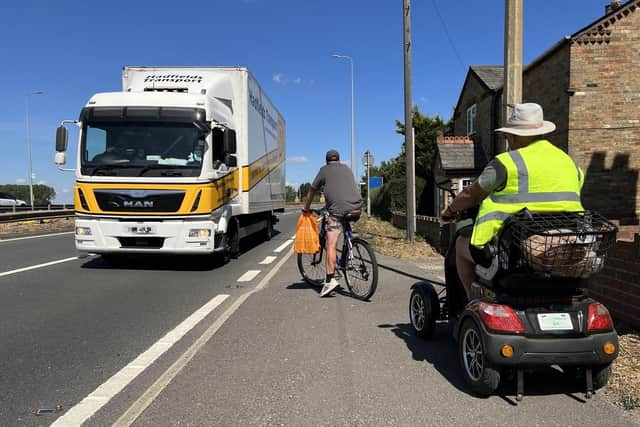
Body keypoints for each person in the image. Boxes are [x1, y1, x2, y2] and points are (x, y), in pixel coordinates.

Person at [440, 103, 584, 300]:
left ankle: (471, 301)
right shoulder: (569, 163)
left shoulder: (507, 163)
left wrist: (450, 210)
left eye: (507, 136)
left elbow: (471, 195)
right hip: (564, 239)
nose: (507, 140)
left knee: (461, 246)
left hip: (514, 249)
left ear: (516, 136)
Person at [303, 149, 362, 297]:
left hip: (337, 212)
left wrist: (306, 208)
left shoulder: (324, 170)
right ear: (339, 160)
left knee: (330, 244)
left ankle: (329, 281)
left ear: (327, 161)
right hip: (356, 209)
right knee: (345, 227)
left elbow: (312, 190)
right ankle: (350, 244)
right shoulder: (347, 169)